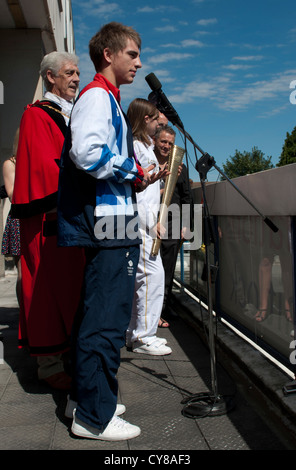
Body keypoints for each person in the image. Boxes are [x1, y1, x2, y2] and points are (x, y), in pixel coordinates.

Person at [57, 22, 166, 441]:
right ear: (109, 54)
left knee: (96, 313)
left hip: (111, 217)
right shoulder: (99, 96)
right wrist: (132, 169)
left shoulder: (105, 98)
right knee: (106, 318)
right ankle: (94, 416)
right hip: (110, 220)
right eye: (133, 54)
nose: (139, 62)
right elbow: (85, 152)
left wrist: (131, 176)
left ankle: (86, 398)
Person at [10, 52, 85, 390]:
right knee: (45, 291)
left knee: (70, 289)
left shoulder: (71, 112)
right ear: (50, 76)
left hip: (71, 216)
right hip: (47, 220)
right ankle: (49, 365)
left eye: (78, 73)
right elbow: (43, 167)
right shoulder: (37, 115)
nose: (76, 78)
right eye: (70, 73)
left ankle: (69, 354)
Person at [126, 98, 172, 356]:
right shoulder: (136, 145)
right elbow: (139, 193)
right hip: (142, 225)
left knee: (147, 279)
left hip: (145, 222)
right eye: (156, 119)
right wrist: (151, 223)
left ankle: (136, 333)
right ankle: (143, 336)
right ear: (146, 120)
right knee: (151, 278)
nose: (159, 124)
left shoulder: (143, 145)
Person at [154, 125, 194, 321]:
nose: (167, 146)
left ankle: (162, 308)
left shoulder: (181, 167)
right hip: (149, 222)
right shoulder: (148, 163)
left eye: (170, 143)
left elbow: (186, 197)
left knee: (167, 268)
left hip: (173, 223)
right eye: (163, 142)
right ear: (155, 141)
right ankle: (147, 311)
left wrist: (185, 224)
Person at [1, 129, 22, 305]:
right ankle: (24, 316)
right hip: (19, 219)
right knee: (22, 273)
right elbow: (12, 194)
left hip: (40, 216)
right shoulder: (11, 163)